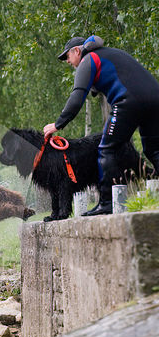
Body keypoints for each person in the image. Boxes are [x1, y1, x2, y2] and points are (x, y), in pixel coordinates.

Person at [43, 35, 159, 216]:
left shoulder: (88, 60)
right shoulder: (108, 55)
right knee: (154, 150)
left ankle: (107, 204)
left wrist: (57, 125)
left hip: (128, 101)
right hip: (154, 99)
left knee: (106, 149)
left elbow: (76, 98)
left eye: (67, 56)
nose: (67, 61)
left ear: (77, 50)